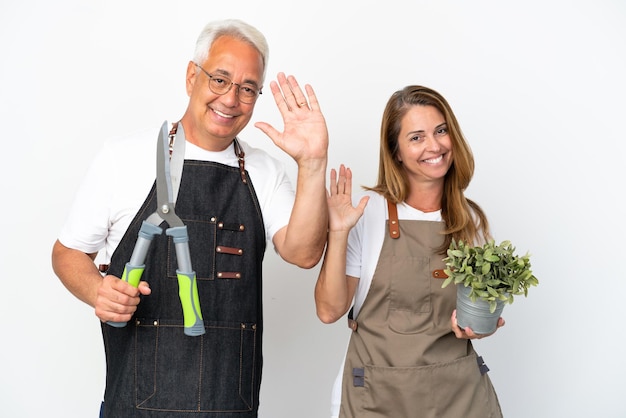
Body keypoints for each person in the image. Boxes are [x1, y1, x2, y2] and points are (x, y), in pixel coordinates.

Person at [51, 19, 328, 418]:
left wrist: (313, 163)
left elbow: (303, 253)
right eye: (219, 79)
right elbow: (67, 253)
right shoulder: (123, 157)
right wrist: (98, 291)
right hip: (135, 406)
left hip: (230, 406)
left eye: (247, 89)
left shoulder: (265, 171)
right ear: (191, 76)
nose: (231, 99)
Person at [315, 85, 504, 418]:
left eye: (441, 131)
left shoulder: (469, 220)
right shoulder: (366, 211)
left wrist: (481, 325)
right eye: (416, 137)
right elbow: (330, 311)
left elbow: (478, 314)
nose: (434, 146)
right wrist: (339, 232)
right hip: (376, 396)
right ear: (396, 151)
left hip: (459, 397)